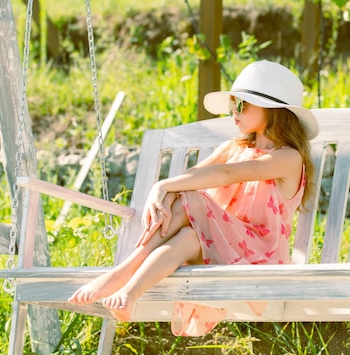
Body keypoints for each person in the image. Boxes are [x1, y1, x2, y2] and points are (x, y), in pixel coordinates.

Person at [68, 60, 319, 335]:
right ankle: (130, 292)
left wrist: (165, 185)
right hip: (221, 244)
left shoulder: (288, 158)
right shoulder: (233, 147)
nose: (233, 113)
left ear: (274, 110)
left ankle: (122, 271)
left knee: (189, 195)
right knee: (188, 234)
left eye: (242, 105)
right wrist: (161, 189)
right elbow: (195, 173)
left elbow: (226, 175)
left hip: (259, 256)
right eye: (232, 104)